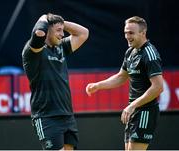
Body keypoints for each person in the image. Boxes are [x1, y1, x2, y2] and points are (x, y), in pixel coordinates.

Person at [86, 16, 163, 150]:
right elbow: (121, 77)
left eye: (131, 33)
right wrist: (98, 85)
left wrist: (133, 105)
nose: (127, 36)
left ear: (143, 33)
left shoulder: (150, 54)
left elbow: (158, 87)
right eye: (125, 32)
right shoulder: (130, 52)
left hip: (145, 111)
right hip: (133, 110)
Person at [22, 13, 89, 150]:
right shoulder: (33, 51)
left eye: (62, 30)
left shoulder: (61, 47)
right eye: (58, 30)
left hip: (67, 115)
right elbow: (39, 33)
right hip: (46, 116)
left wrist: (61, 23)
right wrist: (43, 18)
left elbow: (83, 33)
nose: (62, 34)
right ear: (48, 30)